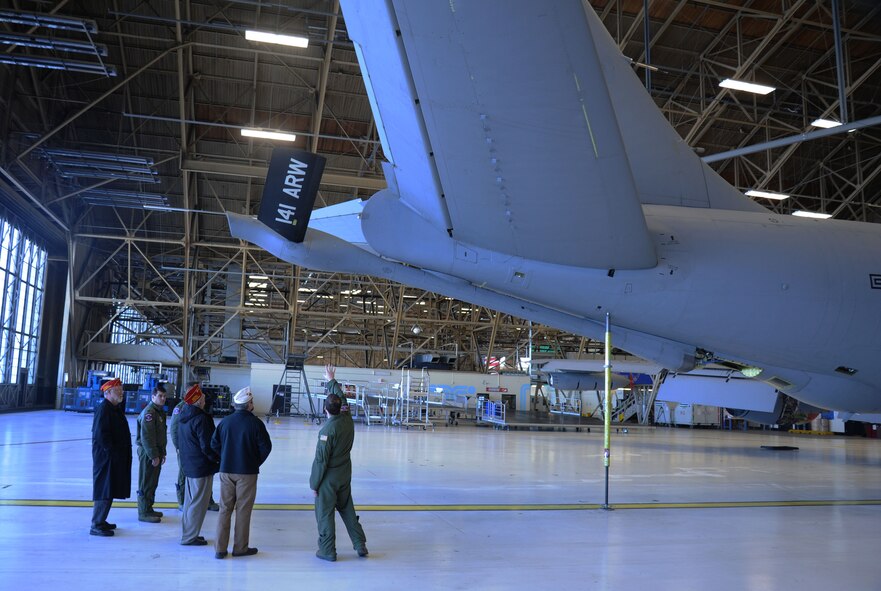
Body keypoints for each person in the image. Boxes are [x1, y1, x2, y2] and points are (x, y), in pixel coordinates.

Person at [210, 386, 272, 559]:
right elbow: (266, 447)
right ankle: (240, 548)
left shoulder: (225, 422)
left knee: (225, 509)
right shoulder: (256, 423)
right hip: (247, 472)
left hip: (226, 471)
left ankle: (220, 550)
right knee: (243, 511)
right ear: (249, 404)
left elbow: (213, 444)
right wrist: (254, 461)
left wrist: (224, 458)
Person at [310, 393, 368, 562]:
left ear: (324, 409)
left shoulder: (327, 430)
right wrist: (332, 381)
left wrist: (314, 484)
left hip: (329, 479)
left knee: (325, 513)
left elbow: (321, 461)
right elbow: (342, 399)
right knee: (347, 509)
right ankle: (360, 543)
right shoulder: (348, 421)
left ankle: (327, 550)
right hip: (344, 475)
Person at [178, 384, 220, 546]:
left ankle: (189, 533)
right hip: (201, 467)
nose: (204, 398)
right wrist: (216, 459)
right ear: (197, 400)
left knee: (190, 502)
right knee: (198, 504)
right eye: (201, 396)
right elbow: (207, 446)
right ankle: (189, 537)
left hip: (190, 465)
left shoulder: (184, 416)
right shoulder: (201, 418)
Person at [90, 377, 132, 537]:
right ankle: (96, 524)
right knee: (104, 490)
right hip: (106, 459)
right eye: (118, 391)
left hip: (113, 458)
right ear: (108, 393)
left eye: (121, 390)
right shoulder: (104, 410)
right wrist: (113, 453)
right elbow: (102, 436)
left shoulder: (114, 408)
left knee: (110, 489)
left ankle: (102, 520)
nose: (122, 393)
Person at [172, 382, 219, 511]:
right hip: (187, 451)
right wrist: (179, 448)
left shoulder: (198, 410)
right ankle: (182, 500)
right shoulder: (181, 408)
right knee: (185, 478)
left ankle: (208, 500)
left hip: (195, 453)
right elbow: (175, 430)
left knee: (201, 484)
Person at [135, 384, 167, 522]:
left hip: (156, 451)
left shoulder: (159, 412)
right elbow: (147, 436)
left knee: (153, 481)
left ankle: (149, 508)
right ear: (153, 396)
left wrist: (162, 453)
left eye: (164, 396)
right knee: (146, 481)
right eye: (160, 396)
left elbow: (160, 436)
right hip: (148, 452)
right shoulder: (150, 413)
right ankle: (143, 512)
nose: (163, 398)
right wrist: (153, 455)